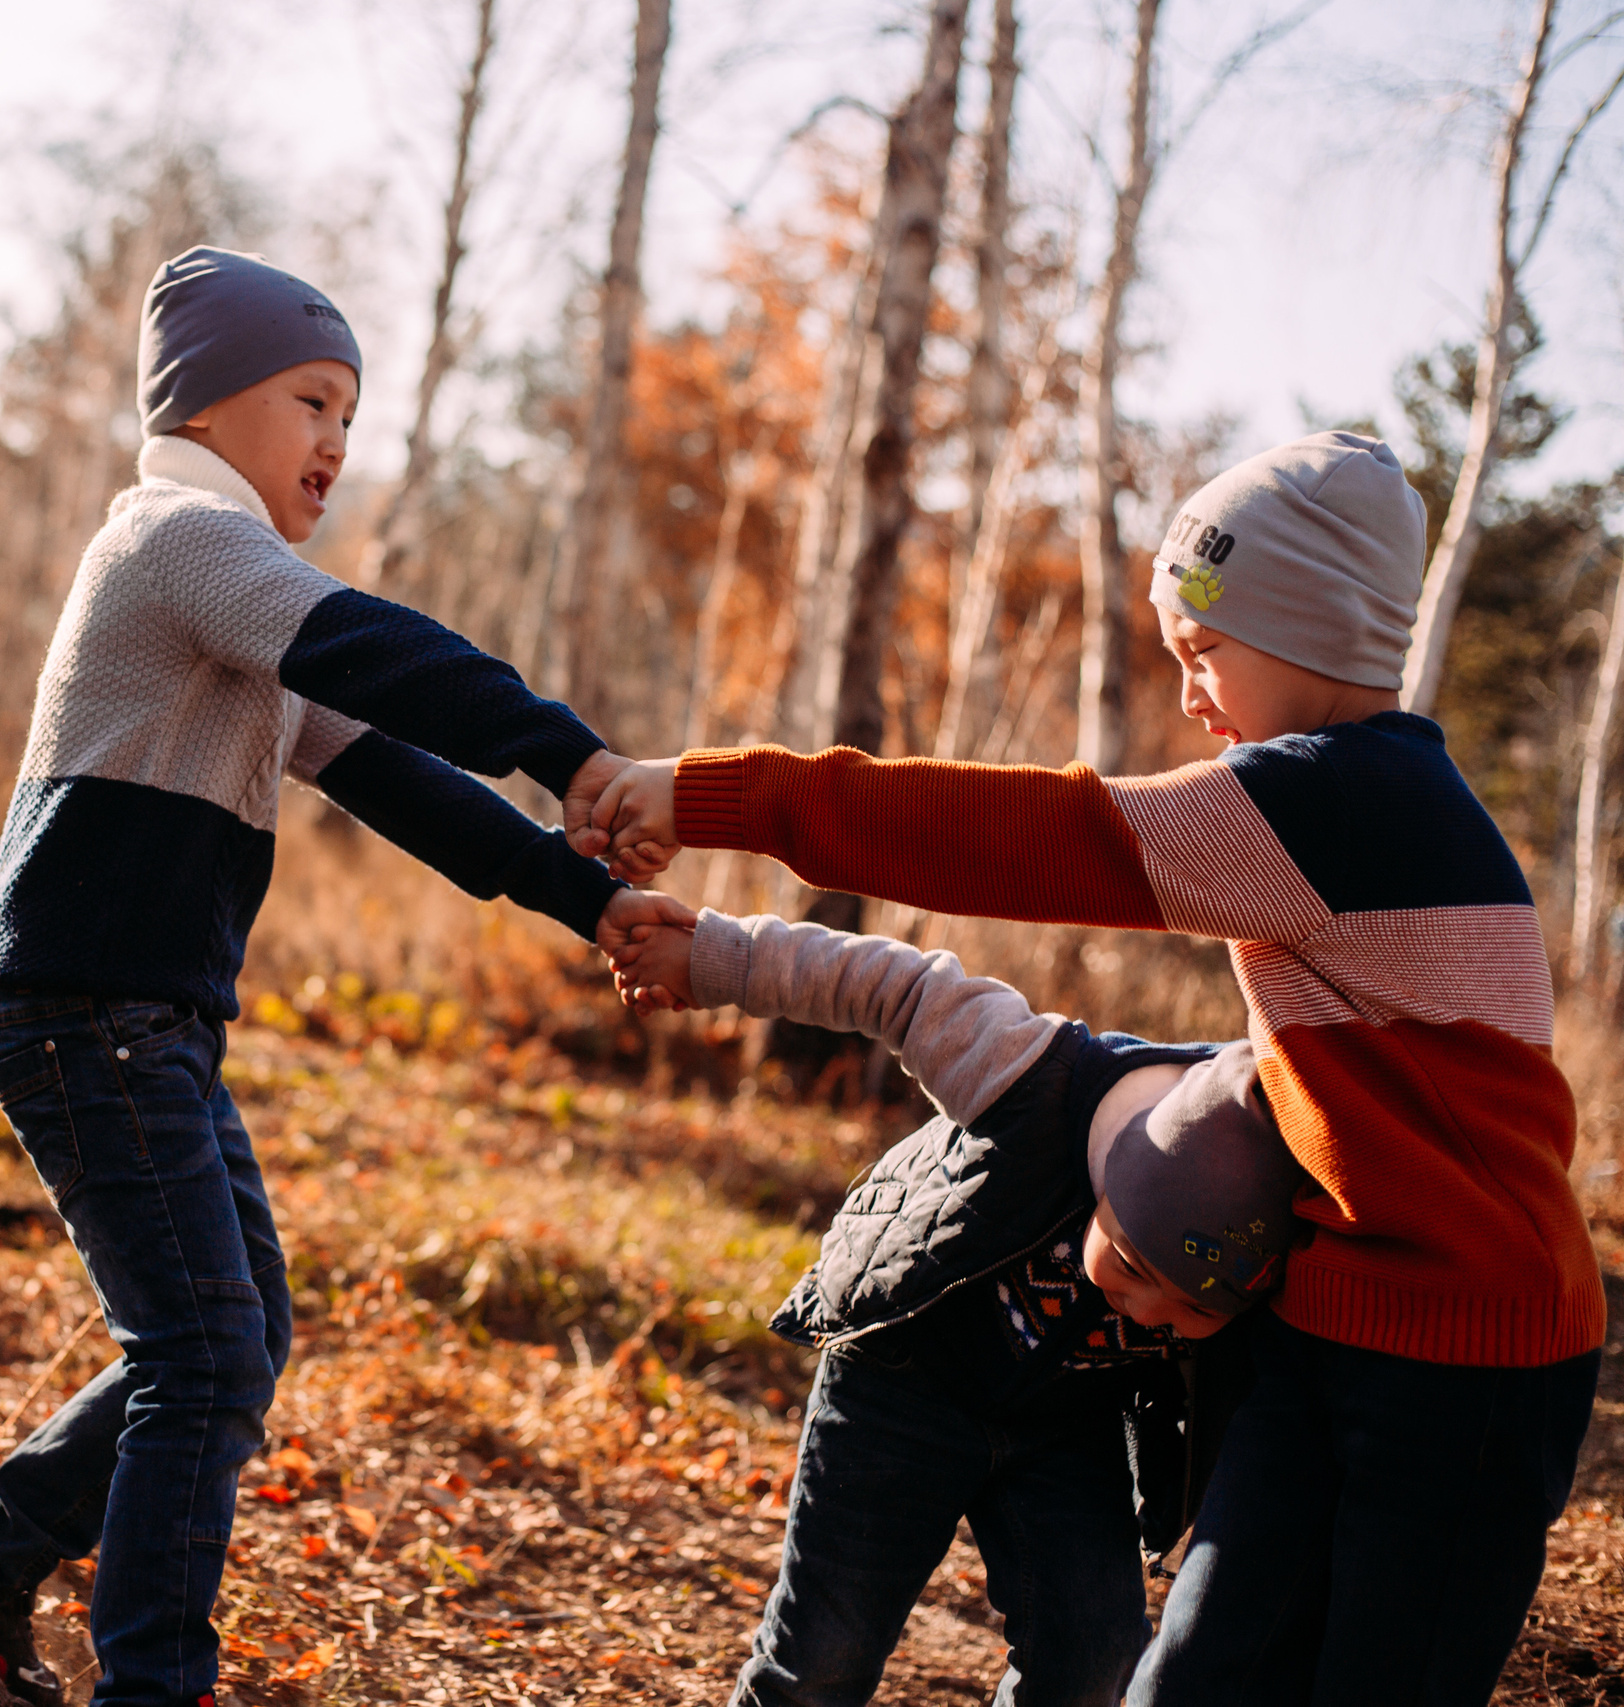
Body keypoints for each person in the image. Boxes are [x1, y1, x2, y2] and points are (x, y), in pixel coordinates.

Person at [574, 432, 1605, 1703]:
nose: (1188, 696)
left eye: (1201, 651)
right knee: (1195, 1675)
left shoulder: (1336, 806)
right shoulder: (1335, 805)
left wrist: (714, 795)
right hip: (1332, 1309)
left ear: (1315, 633)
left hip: (1473, 1356)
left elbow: (1024, 838)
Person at [0, 245, 685, 1707]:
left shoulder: (229, 603)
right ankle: (148, 1680)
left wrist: (584, 895)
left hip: (135, 1019)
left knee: (236, 1337)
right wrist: (574, 750)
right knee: (203, 1349)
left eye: (349, 414)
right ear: (207, 403)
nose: (337, 443)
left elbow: (404, 779)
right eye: (313, 400)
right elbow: (383, 651)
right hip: (92, 1009)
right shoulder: (178, 541)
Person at [610, 908, 1294, 1706]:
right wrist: (709, 958)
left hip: (1070, 1424)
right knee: (823, 1658)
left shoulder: (1275, 1204)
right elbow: (890, 984)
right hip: (904, 1377)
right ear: (1108, 1187)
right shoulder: (1030, 1078)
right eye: (1131, 1264)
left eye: (1181, 1315)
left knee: (1095, 1657)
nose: (1142, 1311)